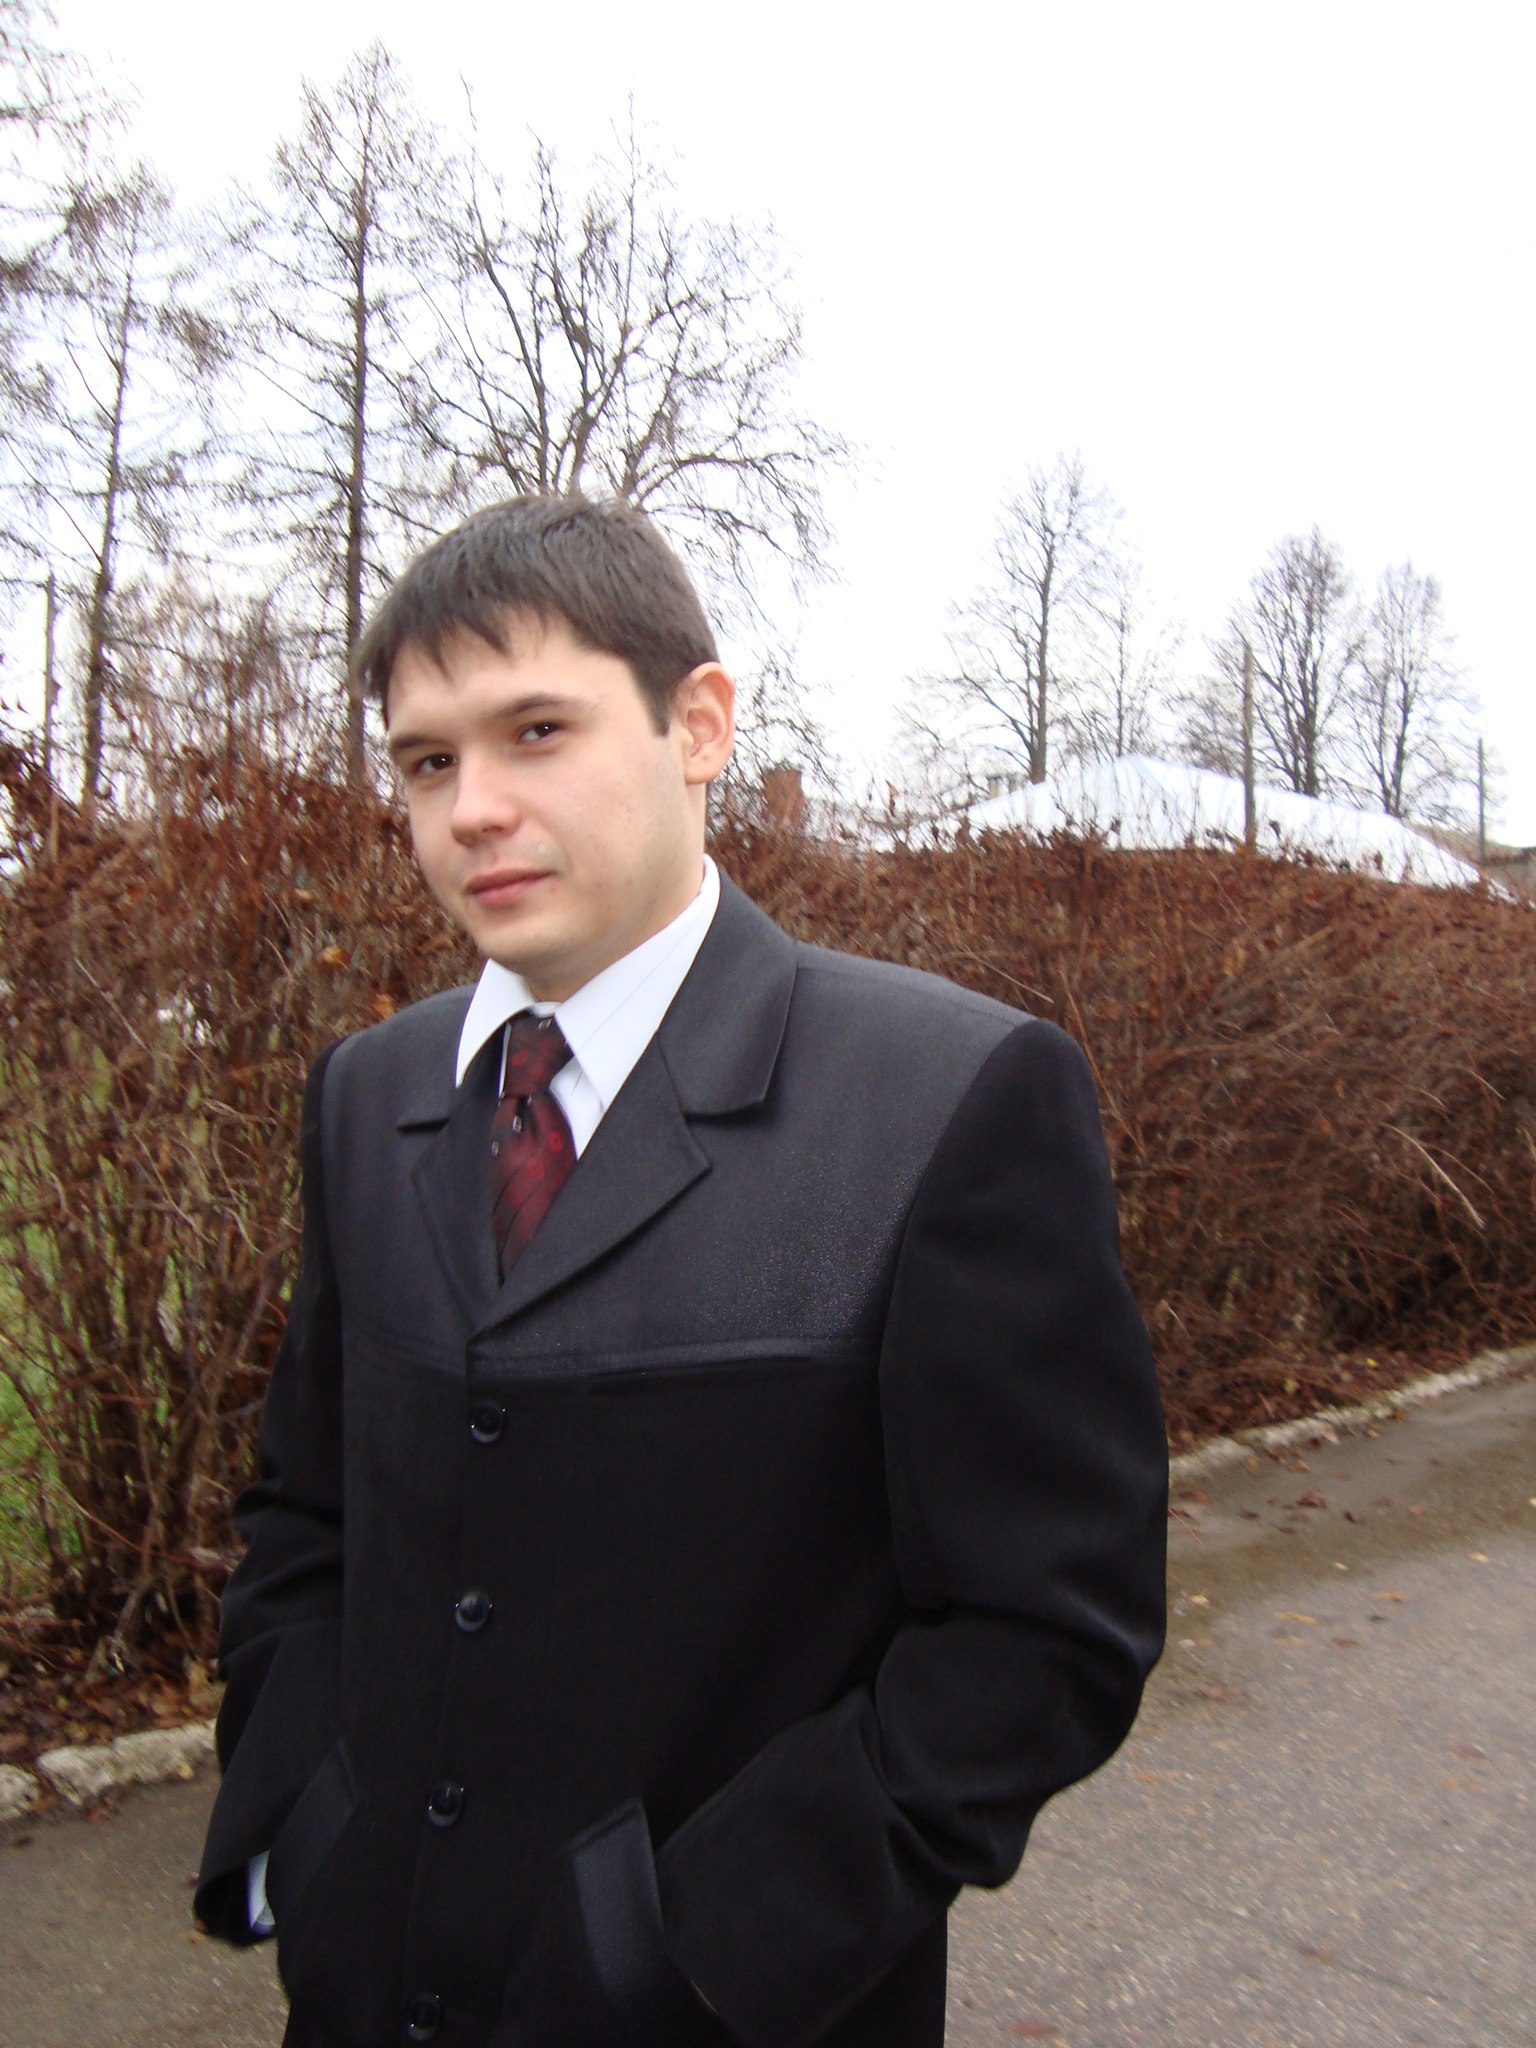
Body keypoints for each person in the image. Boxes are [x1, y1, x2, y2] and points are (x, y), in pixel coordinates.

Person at [195, 494, 1167, 2048]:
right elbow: (310, 1510)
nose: (472, 810)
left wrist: (687, 1957)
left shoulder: (946, 1099)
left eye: (536, 732)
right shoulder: (370, 1095)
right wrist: (296, 1825)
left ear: (698, 724)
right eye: (427, 762)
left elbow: (1046, 1631)